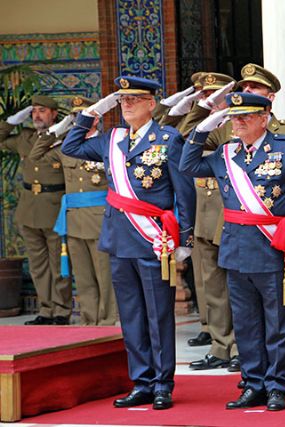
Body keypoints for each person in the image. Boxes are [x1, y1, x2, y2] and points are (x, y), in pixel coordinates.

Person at [62, 76, 195, 410]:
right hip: (119, 239)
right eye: (122, 100)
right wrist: (92, 113)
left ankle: (163, 383)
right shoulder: (111, 139)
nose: (127, 105)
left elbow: (185, 191)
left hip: (154, 241)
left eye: (134, 99)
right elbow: (71, 147)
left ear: (151, 104)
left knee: (158, 314)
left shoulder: (169, 139)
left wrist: (186, 238)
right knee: (132, 314)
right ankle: (142, 382)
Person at [180, 92, 285, 411]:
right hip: (236, 249)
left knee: (280, 323)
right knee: (246, 323)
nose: (238, 123)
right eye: (234, 117)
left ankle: (277, 386)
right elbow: (188, 166)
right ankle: (253, 383)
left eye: (246, 117)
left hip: (275, 251)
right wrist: (203, 129)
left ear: (265, 116)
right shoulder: (226, 153)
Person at [29, 96, 117, 326]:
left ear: (95, 118)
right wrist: (60, 128)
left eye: (83, 116)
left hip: (100, 219)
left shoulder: (107, 143)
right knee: (84, 277)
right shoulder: (64, 147)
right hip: (74, 220)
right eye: (76, 117)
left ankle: (106, 320)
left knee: (104, 276)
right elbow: (35, 154)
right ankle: (89, 320)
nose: (80, 120)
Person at [183, 73, 241, 372]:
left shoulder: (238, 124)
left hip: (231, 213)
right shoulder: (206, 125)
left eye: (215, 95)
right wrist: (200, 110)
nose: (210, 99)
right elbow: (182, 139)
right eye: (205, 95)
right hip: (205, 214)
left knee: (239, 288)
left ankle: (242, 348)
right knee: (214, 287)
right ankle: (221, 345)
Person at [0, 95, 73, 325]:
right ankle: (46, 309)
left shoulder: (63, 137)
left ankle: (61, 310)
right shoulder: (25, 138)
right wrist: (11, 121)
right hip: (28, 209)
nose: (37, 115)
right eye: (34, 112)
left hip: (54, 207)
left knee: (58, 262)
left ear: (53, 114)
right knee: (38, 265)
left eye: (42, 111)